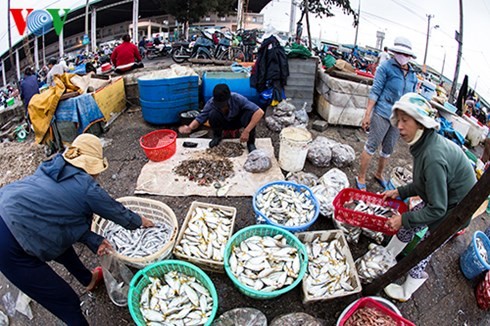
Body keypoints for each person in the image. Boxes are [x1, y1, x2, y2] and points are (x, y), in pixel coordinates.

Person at [0, 134, 154, 325]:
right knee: (65, 301)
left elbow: (59, 217)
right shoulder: (87, 188)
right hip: (7, 244)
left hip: (9, 205)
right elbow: (119, 213)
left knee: (63, 248)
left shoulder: (52, 167)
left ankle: (88, 280)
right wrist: (142, 221)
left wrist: (92, 239)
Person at [380, 93, 476, 301]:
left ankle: (407, 290)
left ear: (421, 122)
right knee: (410, 222)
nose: (400, 126)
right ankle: (387, 256)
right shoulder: (424, 144)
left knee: (426, 245)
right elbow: (425, 183)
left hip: (454, 210)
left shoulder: (433, 156)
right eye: (399, 120)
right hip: (442, 197)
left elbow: (438, 209)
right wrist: (401, 191)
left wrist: (403, 218)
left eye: (405, 121)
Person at [355, 36, 418, 191]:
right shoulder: (385, 68)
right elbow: (375, 91)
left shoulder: (412, 75)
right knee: (372, 145)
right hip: (382, 113)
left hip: (400, 118)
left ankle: (379, 174)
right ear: (395, 52)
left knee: (388, 148)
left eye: (407, 55)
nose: (404, 58)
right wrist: (367, 114)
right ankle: (361, 177)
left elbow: (412, 97)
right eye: (401, 53)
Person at [178, 84, 264, 153]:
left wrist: (246, 131)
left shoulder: (237, 98)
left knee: (249, 113)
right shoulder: (211, 102)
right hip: (224, 123)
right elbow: (200, 117)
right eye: (219, 104)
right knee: (212, 114)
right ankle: (217, 136)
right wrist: (189, 127)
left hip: (238, 121)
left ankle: (251, 143)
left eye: (223, 104)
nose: (222, 107)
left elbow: (259, 112)